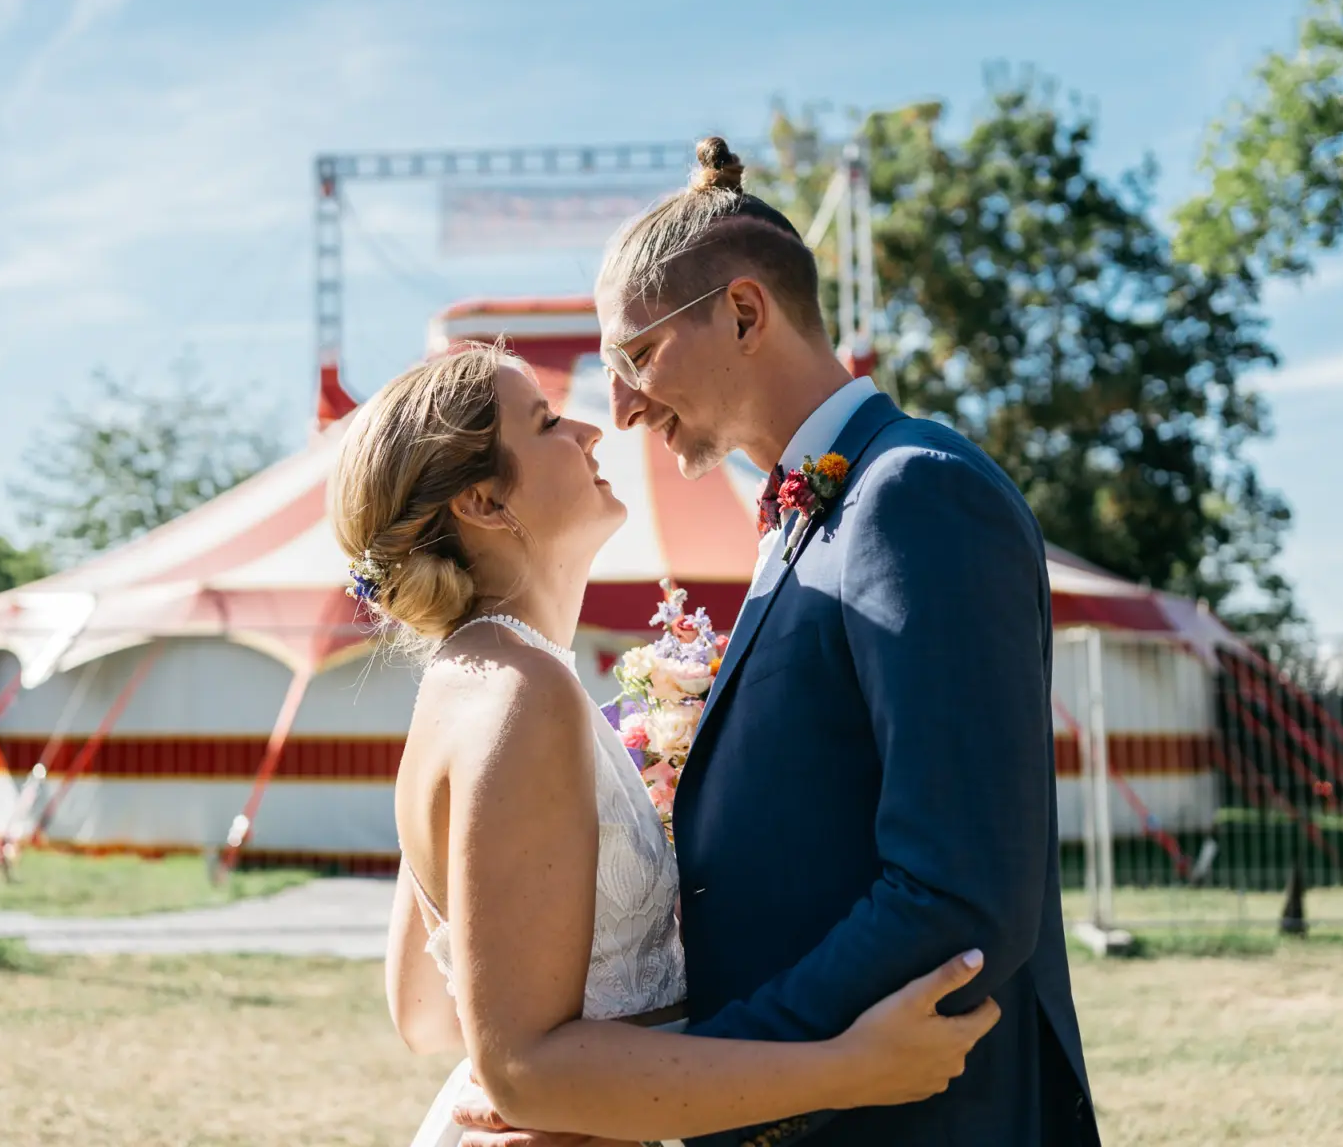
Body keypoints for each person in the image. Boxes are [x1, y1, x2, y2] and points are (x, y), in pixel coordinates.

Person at [454, 138, 1099, 1146]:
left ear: (744, 313)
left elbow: (957, 892)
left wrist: (705, 1085)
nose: (619, 405)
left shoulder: (914, 494)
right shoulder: (806, 517)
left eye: (635, 356)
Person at [330, 342, 999, 1147]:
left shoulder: (462, 680)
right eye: (545, 423)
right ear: (482, 501)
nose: (589, 430)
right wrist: (854, 1067)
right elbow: (525, 1071)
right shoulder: (523, 694)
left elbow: (428, 1012)